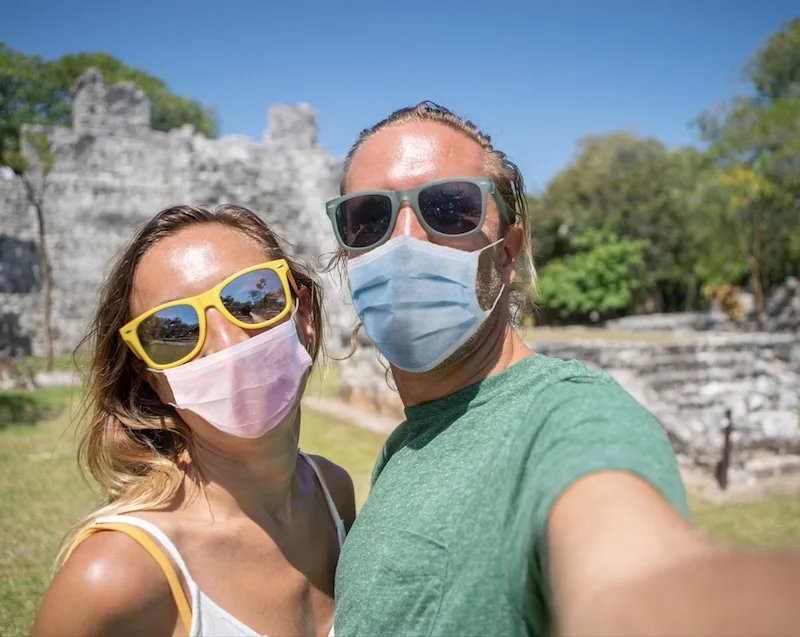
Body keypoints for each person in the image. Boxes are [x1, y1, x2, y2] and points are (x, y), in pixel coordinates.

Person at [326, 102, 800, 636]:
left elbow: (637, 578)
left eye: (449, 208)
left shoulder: (572, 418)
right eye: (367, 218)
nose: (404, 239)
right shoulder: (405, 446)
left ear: (508, 252)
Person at [31, 204, 356, 637]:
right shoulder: (114, 574)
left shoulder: (333, 492)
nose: (226, 342)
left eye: (252, 297)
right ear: (153, 379)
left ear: (305, 316)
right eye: (173, 330)